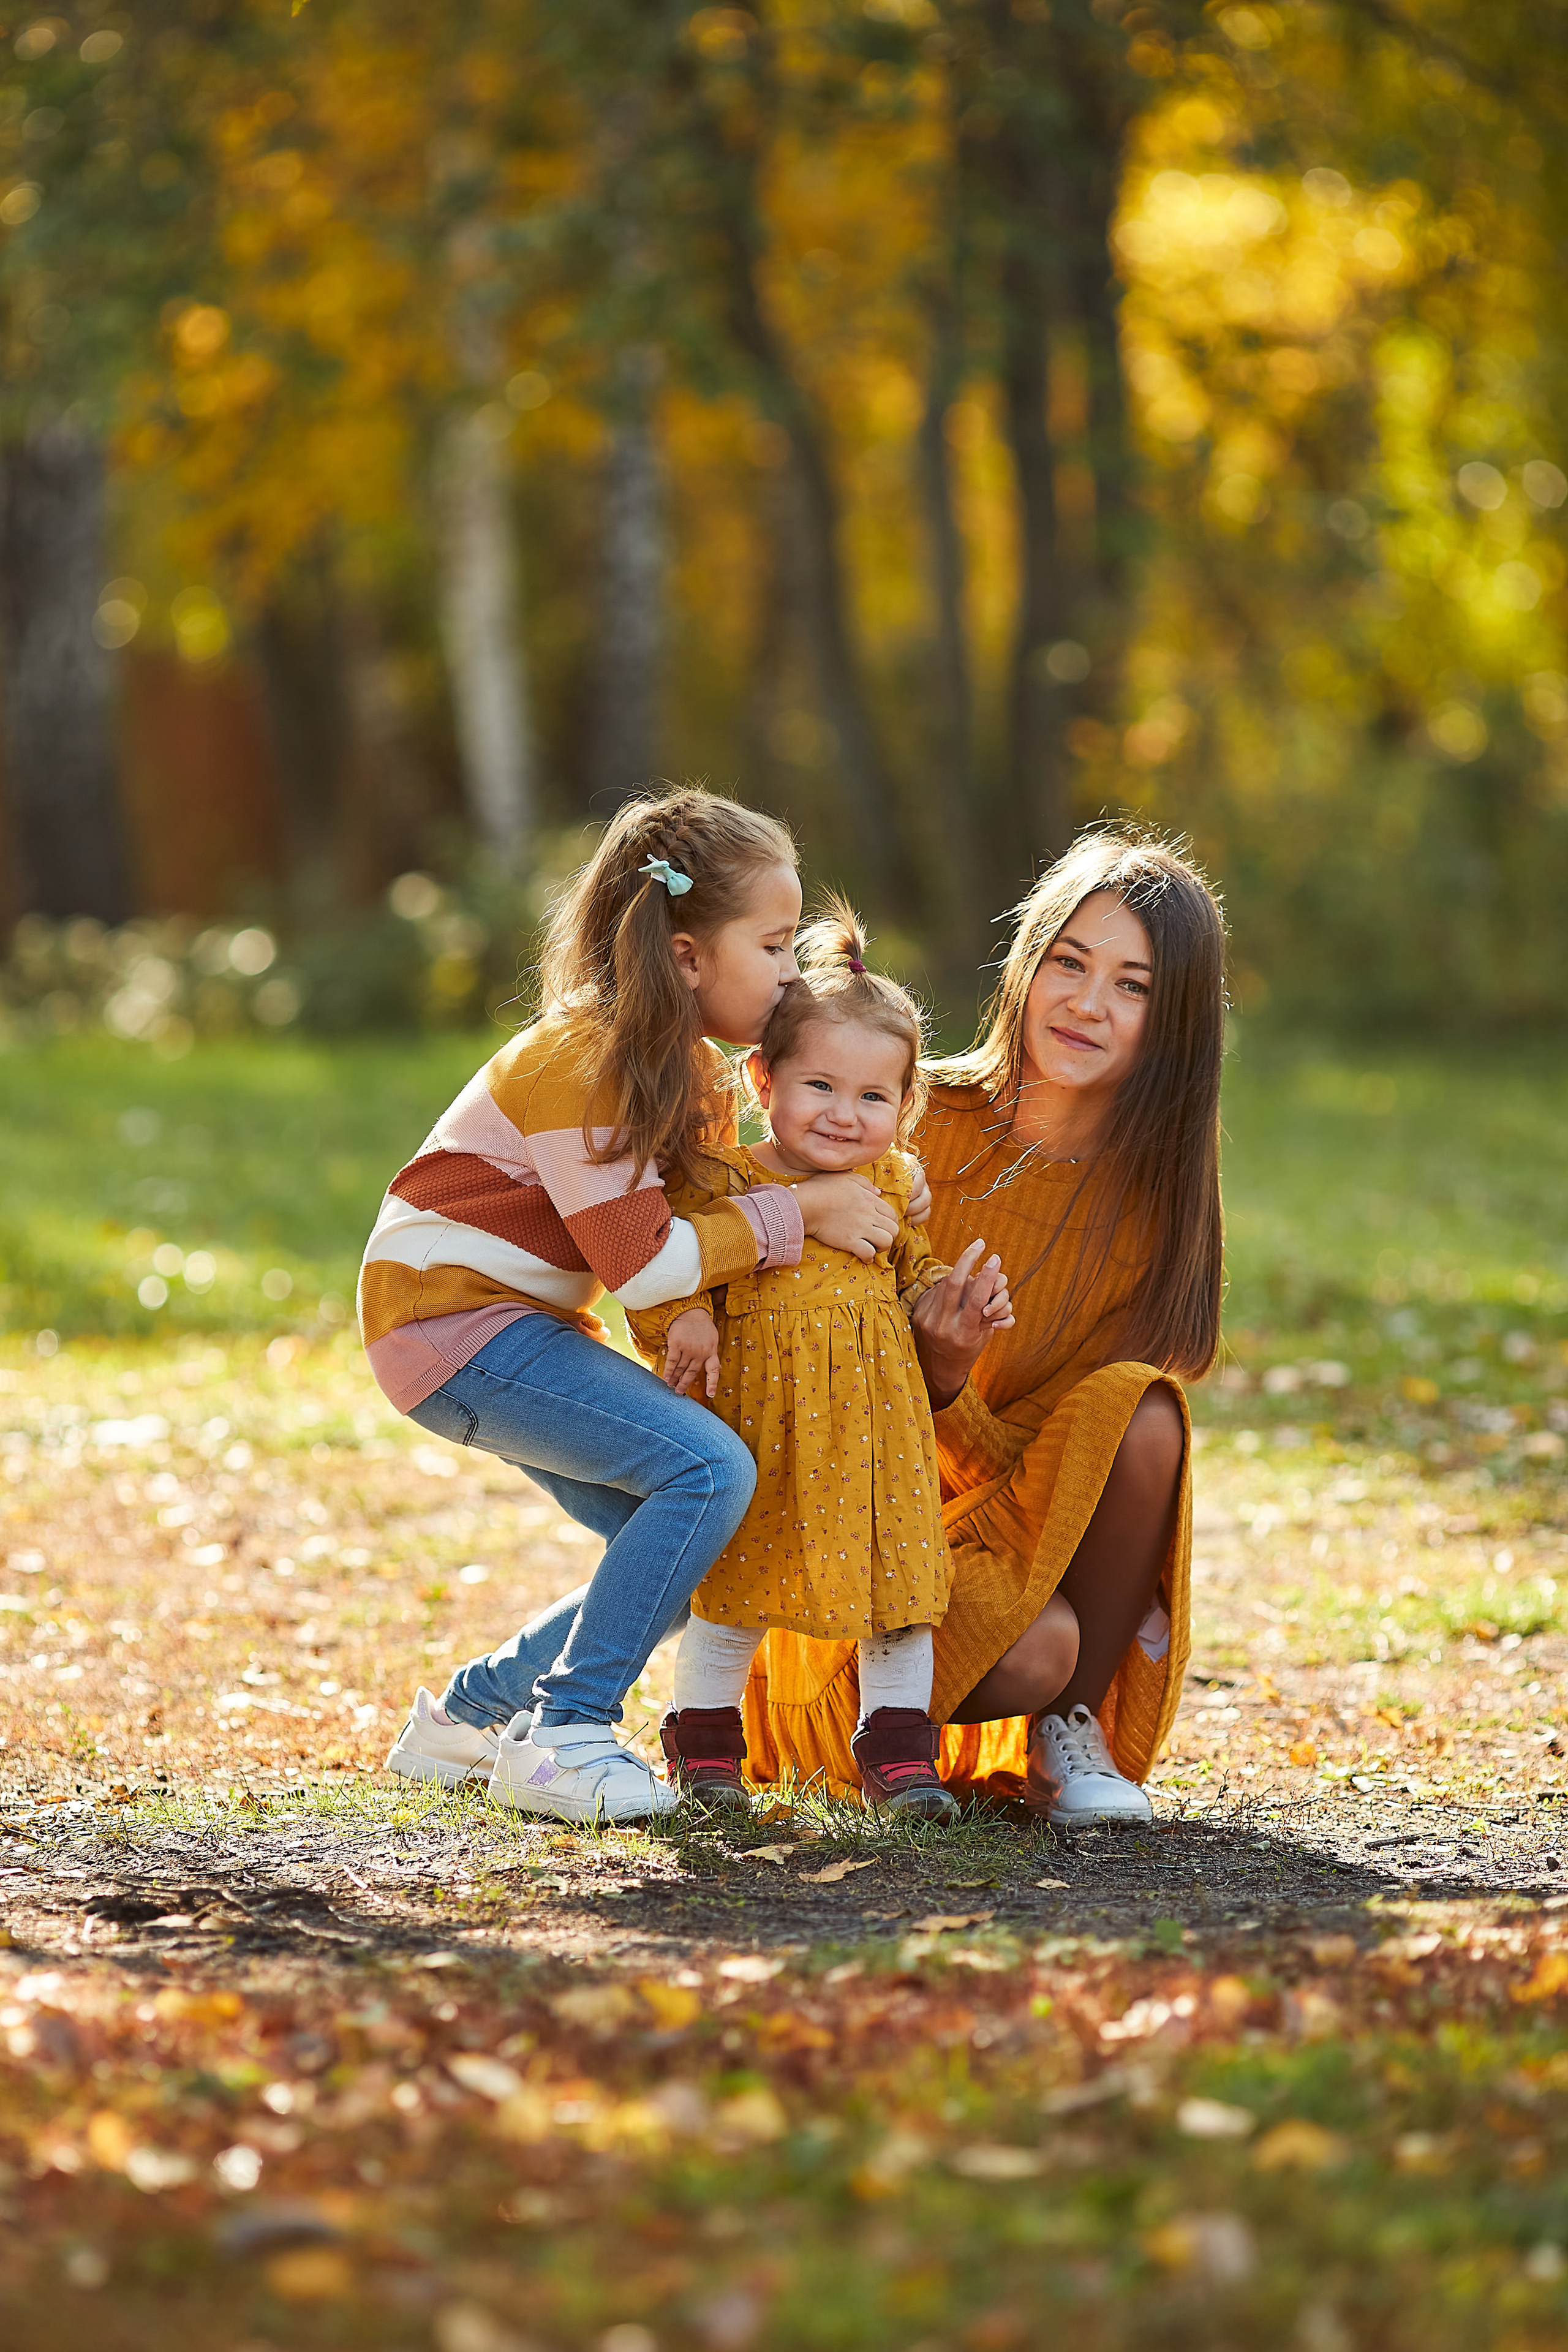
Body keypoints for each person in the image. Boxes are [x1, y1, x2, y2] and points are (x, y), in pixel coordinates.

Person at [364, 787, 912, 1823]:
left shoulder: (684, 1067)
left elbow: (681, 1223)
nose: (793, 971)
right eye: (776, 943)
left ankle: (470, 1720)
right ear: (687, 953)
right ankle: (570, 1734)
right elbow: (648, 1261)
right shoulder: (589, 1061)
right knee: (711, 1470)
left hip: (510, 1326)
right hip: (452, 1324)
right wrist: (802, 1213)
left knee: (671, 1550)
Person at [743, 829, 1226, 1825]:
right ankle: (853, 1729)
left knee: (1144, 1417)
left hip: (1003, 1530)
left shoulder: (1152, 1211)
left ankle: (1071, 1735)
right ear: (1028, 962)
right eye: (1070, 963)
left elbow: (1064, 1472)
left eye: (1132, 986)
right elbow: (796, 1376)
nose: (1089, 1004)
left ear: (1173, 1018)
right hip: (849, 1539)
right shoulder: (896, 1122)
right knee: (1033, 1645)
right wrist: (937, 1372)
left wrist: (954, 1384)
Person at [627, 902, 1012, 1824]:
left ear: (905, 1106)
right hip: (764, 1430)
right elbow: (674, 1262)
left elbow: (910, 1269)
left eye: (874, 1098)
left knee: (900, 1596)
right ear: (763, 1077)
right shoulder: (729, 1182)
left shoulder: (890, 1185)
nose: (845, 1115)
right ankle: (707, 1743)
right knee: (737, 1593)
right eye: (820, 1088)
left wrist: (945, 1302)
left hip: (877, 1442)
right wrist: (687, 1324)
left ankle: (897, 1751)